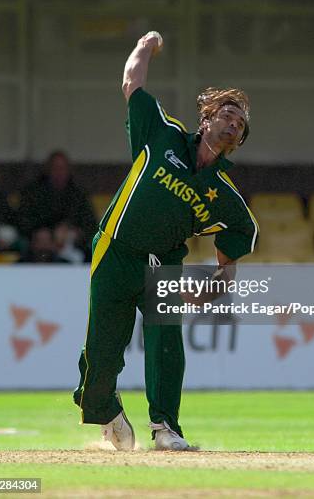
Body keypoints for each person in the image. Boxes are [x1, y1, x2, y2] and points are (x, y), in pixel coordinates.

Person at [73, 31, 258, 451]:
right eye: (227, 115)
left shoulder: (225, 195)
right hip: (116, 249)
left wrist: (221, 279)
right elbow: (131, 85)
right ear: (206, 119)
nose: (233, 123)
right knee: (102, 354)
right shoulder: (162, 134)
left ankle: (165, 428)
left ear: (239, 141)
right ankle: (104, 408)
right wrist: (145, 45)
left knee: (166, 342)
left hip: (162, 265)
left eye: (240, 124)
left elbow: (238, 239)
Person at [18, 151, 97, 257]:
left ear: (68, 170)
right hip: (38, 247)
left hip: (72, 247)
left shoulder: (78, 193)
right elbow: (23, 220)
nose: (59, 172)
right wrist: (44, 233)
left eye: (62, 168)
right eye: (55, 168)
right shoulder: (33, 192)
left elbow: (90, 224)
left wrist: (72, 231)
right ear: (48, 170)